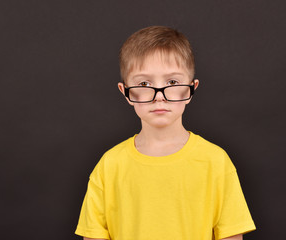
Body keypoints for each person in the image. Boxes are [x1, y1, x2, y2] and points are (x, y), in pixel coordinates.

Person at [75, 26, 256, 240]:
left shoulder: (216, 161)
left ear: (191, 88)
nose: (159, 96)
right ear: (125, 92)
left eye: (172, 82)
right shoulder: (109, 165)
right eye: (144, 83)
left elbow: (231, 235)